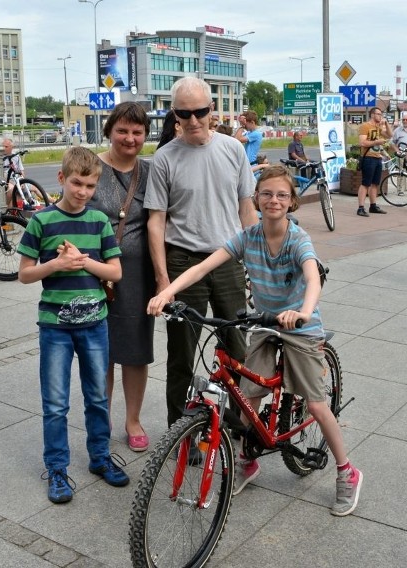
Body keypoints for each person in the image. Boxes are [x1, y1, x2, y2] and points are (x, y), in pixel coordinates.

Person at [146, 165, 363, 517]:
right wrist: (167, 291)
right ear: (256, 198)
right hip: (263, 324)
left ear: (292, 202)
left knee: (318, 404)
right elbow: (204, 267)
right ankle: (247, 459)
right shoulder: (248, 236)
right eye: (266, 194)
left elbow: (312, 278)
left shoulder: (297, 239)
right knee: (248, 395)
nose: (273, 200)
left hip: (299, 327)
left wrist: (304, 312)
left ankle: (346, 470)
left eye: (281, 195)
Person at [17, 147, 129, 504]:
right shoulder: (41, 222)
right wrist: (55, 265)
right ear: (62, 179)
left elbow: (115, 272)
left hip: (94, 324)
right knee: (55, 404)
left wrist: (82, 262)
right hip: (55, 327)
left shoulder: (98, 221)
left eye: (90, 185)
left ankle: (99, 458)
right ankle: (57, 469)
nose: (83, 191)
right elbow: (24, 274)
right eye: (77, 183)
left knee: (98, 397)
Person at [145, 77, 258, 428]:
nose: (193, 120)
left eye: (200, 111)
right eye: (184, 113)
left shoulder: (232, 149)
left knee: (237, 347)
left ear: (212, 110)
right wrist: (164, 283)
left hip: (227, 259)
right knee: (182, 353)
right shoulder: (164, 158)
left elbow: (246, 209)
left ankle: (238, 421)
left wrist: (256, 263)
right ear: (174, 114)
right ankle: (179, 430)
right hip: (184, 262)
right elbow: (156, 222)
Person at [93, 102, 155, 452]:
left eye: (137, 131)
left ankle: (133, 419)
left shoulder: (150, 171)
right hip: (95, 274)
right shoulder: (90, 164)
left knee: (134, 350)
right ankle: (102, 417)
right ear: (109, 130)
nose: (130, 138)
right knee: (100, 350)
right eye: (123, 130)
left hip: (137, 276)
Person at [356, 107, 391, 216]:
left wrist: (387, 123)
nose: (380, 116)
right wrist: (376, 142)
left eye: (381, 114)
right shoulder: (365, 126)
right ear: (372, 115)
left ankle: (373, 205)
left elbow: (390, 135)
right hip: (368, 157)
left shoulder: (379, 127)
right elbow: (362, 142)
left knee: (375, 183)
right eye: (378, 114)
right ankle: (360, 208)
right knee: (365, 183)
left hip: (377, 157)